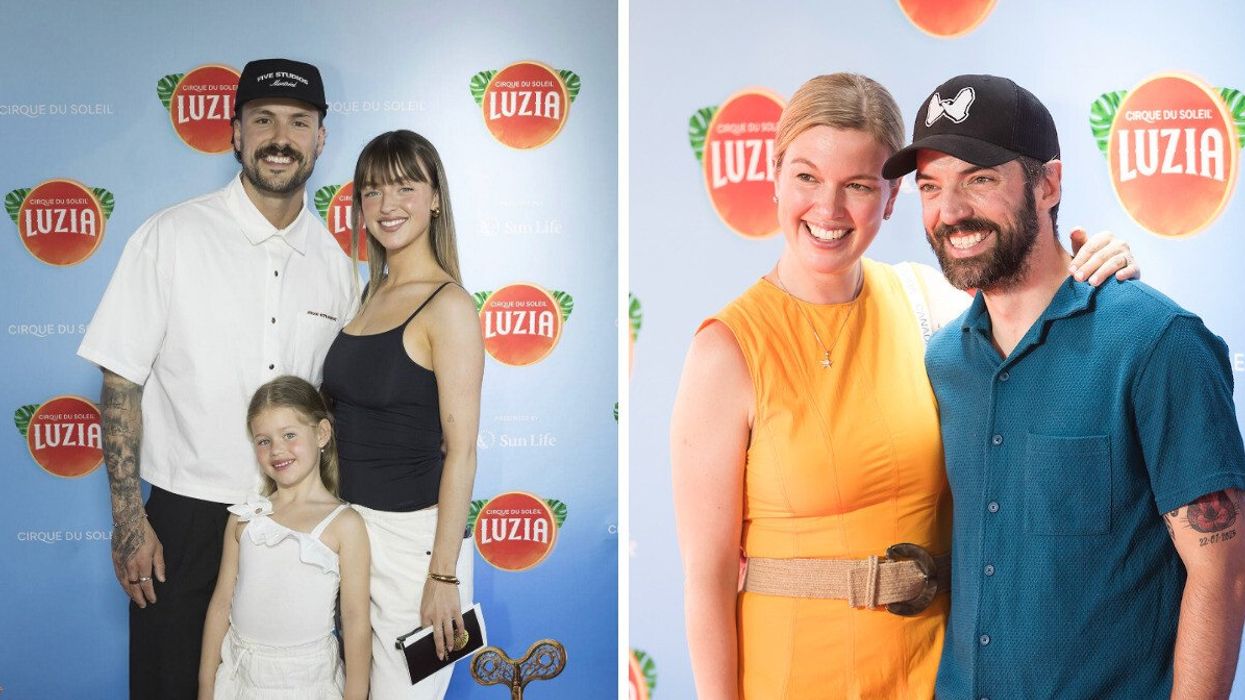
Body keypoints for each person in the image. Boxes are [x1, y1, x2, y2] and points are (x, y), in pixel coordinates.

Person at [669, 73, 1140, 699]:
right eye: (807, 177)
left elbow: (1035, 308)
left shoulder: (930, 300)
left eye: (858, 186)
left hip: (934, 675)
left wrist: (1102, 264)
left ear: (891, 199)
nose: (829, 210)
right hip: (793, 676)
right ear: (774, 175)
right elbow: (706, 580)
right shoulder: (724, 351)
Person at [882, 73, 1245, 698]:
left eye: (980, 178)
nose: (950, 211)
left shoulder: (1156, 343)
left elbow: (1222, 576)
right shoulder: (942, 361)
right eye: (931, 187)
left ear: (1048, 184)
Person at [77, 58, 357, 698]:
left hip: (297, 526)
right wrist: (128, 518)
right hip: (183, 525)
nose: (280, 138)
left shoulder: (339, 269)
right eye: (262, 120)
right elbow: (120, 382)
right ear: (235, 134)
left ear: (320, 138)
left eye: (298, 121)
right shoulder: (170, 237)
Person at [321, 130, 483, 698]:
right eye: (371, 191)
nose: (387, 205)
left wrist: (442, 576)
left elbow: (461, 450)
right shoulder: (367, 297)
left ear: (435, 197)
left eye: (405, 187)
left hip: (417, 546)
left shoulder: (450, 306)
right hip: (347, 533)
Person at [198, 376, 370, 699]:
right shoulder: (245, 517)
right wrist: (206, 688)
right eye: (263, 441)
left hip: (306, 684)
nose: (277, 450)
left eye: (289, 435)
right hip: (240, 682)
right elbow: (221, 604)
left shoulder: (345, 524)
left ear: (321, 433)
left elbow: (356, 620)